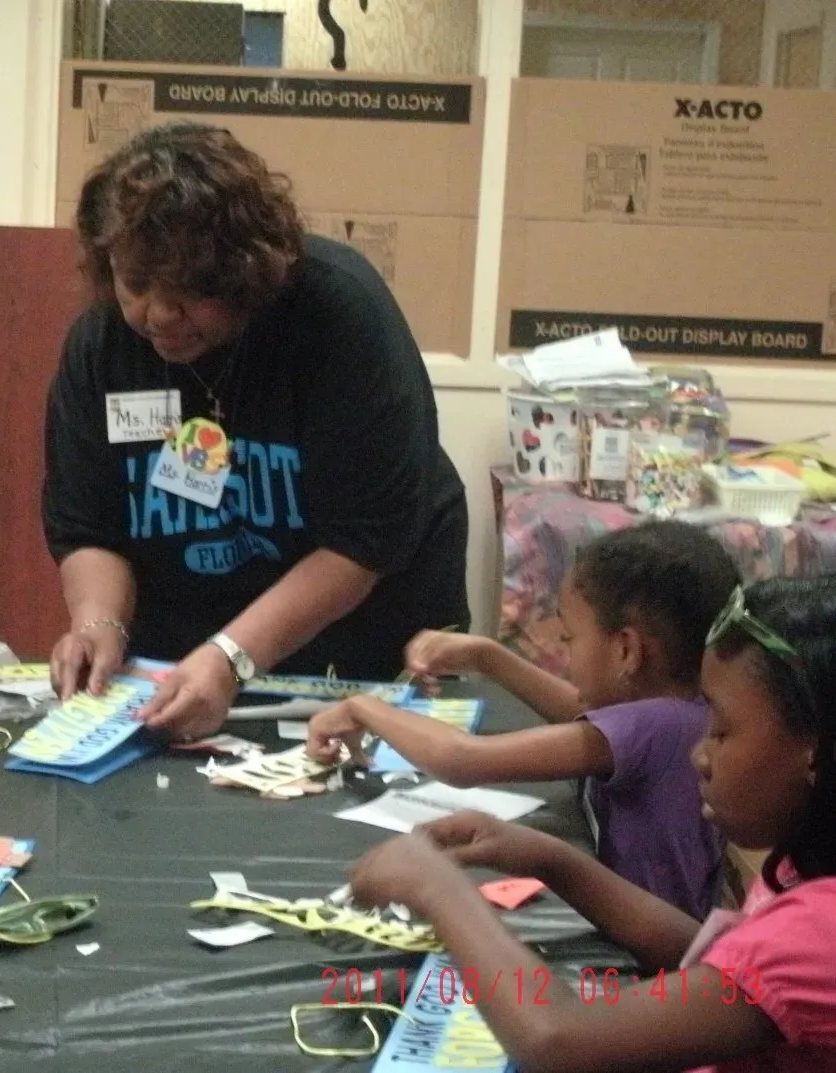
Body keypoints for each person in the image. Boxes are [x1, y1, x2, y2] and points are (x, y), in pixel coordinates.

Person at [41, 122, 469, 743]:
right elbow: (88, 522)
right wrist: (99, 623)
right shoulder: (102, 344)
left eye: (188, 294)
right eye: (135, 285)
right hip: (189, 664)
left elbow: (365, 540)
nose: (158, 316)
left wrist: (233, 656)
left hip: (360, 649)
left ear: (245, 273)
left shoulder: (338, 314)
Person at [344, 575, 836, 1072]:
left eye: (723, 731)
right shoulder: (806, 865)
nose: (699, 753)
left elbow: (559, 1041)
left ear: (813, 754)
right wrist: (549, 858)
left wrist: (440, 892)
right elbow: (718, 956)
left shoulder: (821, 931)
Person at [309, 521, 734, 919]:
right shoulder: (681, 713)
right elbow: (581, 712)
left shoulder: (655, 725)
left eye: (569, 637)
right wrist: (487, 657)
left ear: (627, 652)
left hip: (652, 964)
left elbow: (463, 760)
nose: (563, 649)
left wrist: (364, 707)